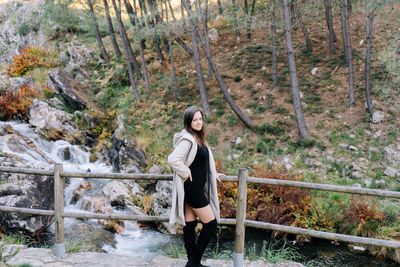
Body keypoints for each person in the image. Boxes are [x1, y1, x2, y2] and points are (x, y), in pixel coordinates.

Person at [168, 106, 223, 267]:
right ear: (188, 122)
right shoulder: (188, 139)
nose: (199, 122)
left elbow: (201, 162)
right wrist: (185, 172)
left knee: (190, 225)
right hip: (192, 188)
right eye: (195, 120)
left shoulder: (198, 137)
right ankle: (194, 262)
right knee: (211, 224)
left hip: (195, 187)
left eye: (200, 119)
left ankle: (192, 262)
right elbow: (173, 159)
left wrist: (214, 173)